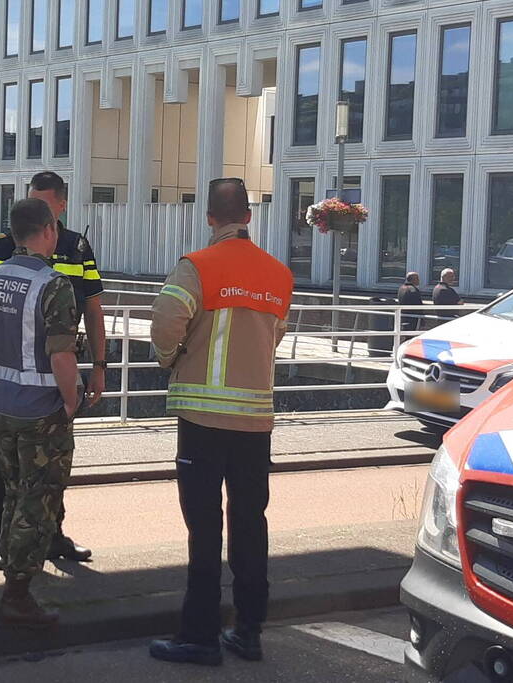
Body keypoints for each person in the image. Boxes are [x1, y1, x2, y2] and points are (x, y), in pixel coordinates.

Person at [148, 178, 294, 667]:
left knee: (204, 528)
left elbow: (166, 319)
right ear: (249, 217)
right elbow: (273, 337)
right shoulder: (278, 274)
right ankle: (248, 630)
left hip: (202, 419)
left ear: (210, 217)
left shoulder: (198, 266)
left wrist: (171, 359)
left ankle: (199, 636)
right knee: (251, 524)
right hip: (256, 422)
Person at [0, 198, 81, 629]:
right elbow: (62, 354)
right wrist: (70, 402)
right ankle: (17, 595)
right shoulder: (53, 284)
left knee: (12, 490)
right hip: (40, 408)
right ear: (49, 230)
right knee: (37, 498)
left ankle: (10, 570)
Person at [0, 171, 104, 569]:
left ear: (60, 209)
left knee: (48, 473)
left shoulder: (76, 246)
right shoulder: (5, 246)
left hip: (47, 377)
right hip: (27, 381)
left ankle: (50, 536)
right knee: (7, 468)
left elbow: (93, 309)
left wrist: (99, 367)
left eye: (44, 204)